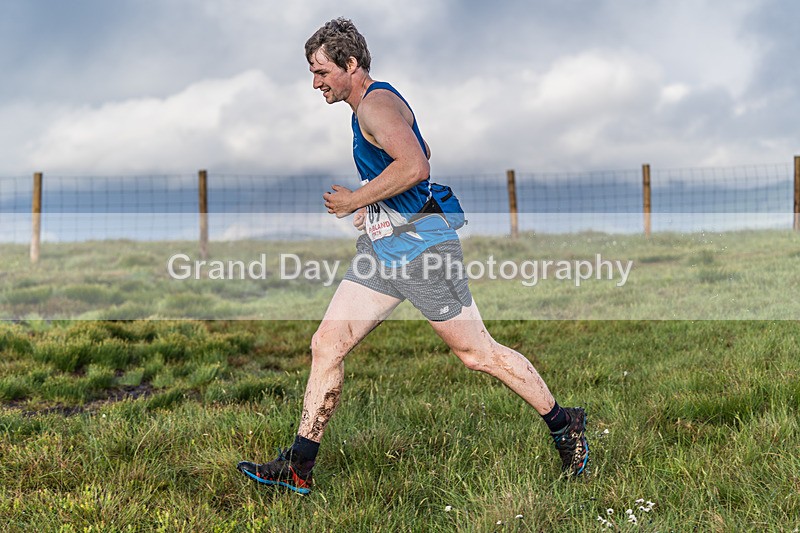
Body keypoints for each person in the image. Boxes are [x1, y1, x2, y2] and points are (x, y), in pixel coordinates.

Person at [237, 17, 588, 494]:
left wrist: (355, 200)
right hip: (385, 252)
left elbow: (416, 164)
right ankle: (299, 467)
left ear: (351, 64)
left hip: (424, 253)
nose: (315, 82)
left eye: (321, 71)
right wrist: (378, 203)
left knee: (477, 354)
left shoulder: (374, 107)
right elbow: (420, 148)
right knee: (328, 344)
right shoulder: (375, 102)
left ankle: (564, 423)